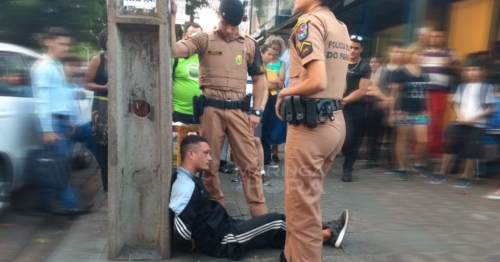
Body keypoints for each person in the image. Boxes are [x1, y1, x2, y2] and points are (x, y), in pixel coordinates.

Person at [170, 135, 349, 261]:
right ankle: (328, 233)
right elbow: (181, 226)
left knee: (273, 232)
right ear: (191, 154)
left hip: (226, 226)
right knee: (276, 222)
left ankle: (321, 229)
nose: (210, 158)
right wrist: (187, 246)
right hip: (224, 240)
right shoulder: (184, 186)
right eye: (206, 153)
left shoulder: (190, 177)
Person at [169, 0, 268, 217]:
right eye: (224, 23)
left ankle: (261, 216)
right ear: (218, 16)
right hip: (211, 111)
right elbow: (175, 50)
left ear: (241, 21)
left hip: (239, 112)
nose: (228, 29)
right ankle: (218, 212)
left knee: (250, 165)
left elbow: (260, 80)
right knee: (208, 165)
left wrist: (257, 111)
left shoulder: (250, 44)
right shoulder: (204, 39)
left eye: (233, 25)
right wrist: (172, 17)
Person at [274, 0, 350, 260]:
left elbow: (318, 80)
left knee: (301, 213)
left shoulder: (308, 23)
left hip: (310, 128)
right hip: (335, 122)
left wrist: (285, 91)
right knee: (303, 205)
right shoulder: (340, 26)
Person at [31, 27, 93, 215]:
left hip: (62, 121)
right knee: (61, 166)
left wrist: (70, 117)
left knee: (55, 164)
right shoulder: (43, 68)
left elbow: (61, 97)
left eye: (67, 44)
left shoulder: (57, 66)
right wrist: (47, 129)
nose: (65, 48)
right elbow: (42, 101)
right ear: (48, 42)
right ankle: (70, 203)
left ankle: (44, 202)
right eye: (61, 44)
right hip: (53, 123)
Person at [430, 58, 495, 188]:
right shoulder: (462, 86)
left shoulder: (487, 87)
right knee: (450, 147)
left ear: (482, 71)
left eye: (475, 70)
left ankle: (465, 176)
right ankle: (441, 173)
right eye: (469, 70)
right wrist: (459, 116)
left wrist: (474, 118)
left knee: (471, 150)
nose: (472, 72)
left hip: (477, 124)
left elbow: (490, 108)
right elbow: (455, 104)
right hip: (459, 122)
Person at [388, 43, 431, 181]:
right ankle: (402, 167)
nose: (420, 56)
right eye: (418, 53)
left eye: (422, 54)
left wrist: (428, 110)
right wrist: (391, 113)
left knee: (423, 140)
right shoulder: (400, 71)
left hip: (421, 110)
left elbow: (426, 93)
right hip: (403, 109)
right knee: (402, 139)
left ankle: (417, 164)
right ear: (411, 54)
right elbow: (394, 94)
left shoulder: (424, 72)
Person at [232, 45, 272, 185]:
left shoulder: (259, 68)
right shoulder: (236, 67)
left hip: (254, 110)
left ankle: (261, 171)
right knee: (237, 141)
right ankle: (238, 169)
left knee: (256, 140)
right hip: (239, 109)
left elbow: (265, 90)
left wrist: (259, 109)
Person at [62, 55, 107, 179]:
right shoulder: (59, 87)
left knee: (100, 149)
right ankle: (61, 182)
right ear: (62, 68)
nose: (74, 69)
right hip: (67, 127)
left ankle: (108, 176)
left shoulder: (75, 87)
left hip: (81, 125)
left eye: (76, 66)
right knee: (63, 159)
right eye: (70, 66)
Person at [366, 41, 405, 171]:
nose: (398, 54)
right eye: (395, 51)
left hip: (398, 107)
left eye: (400, 52)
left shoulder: (405, 70)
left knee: (393, 136)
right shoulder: (381, 69)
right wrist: (386, 99)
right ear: (390, 52)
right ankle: (372, 159)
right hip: (379, 105)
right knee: (375, 133)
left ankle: (391, 161)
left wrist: (390, 102)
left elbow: (404, 90)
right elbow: (375, 87)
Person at [340, 35, 371, 182]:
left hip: (354, 107)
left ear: (362, 49)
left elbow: (362, 89)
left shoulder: (365, 66)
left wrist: (344, 100)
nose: (352, 51)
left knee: (351, 140)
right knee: (340, 140)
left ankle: (348, 169)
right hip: (335, 105)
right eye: (350, 47)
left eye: (356, 48)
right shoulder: (339, 62)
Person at [84, 29, 109, 193]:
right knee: (104, 148)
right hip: (101, 109)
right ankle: (108, 189)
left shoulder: (125, 57)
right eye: (110, 39)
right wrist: (103, 87)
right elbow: (87, 83)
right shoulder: (98, 59)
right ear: (104, 41)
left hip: (122, 110)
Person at [262, 35, 286, 167]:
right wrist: (275, 80)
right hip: (262, 99)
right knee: (260, 129)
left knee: (270, 128)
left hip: (274, 98)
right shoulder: (259, 66)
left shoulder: (282, 63)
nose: (273, 54)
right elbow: (269, 85)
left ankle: (268, 156)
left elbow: (281, 83)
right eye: (270, 52)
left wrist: (274, 79)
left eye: (276, 50)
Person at [172, 23, 203, 123]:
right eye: (191, 35)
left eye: (198, 36)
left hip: (201, 114)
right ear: (184, 36)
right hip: (179, 113)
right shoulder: (176, 58)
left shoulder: (205, 58)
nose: (194, 38)